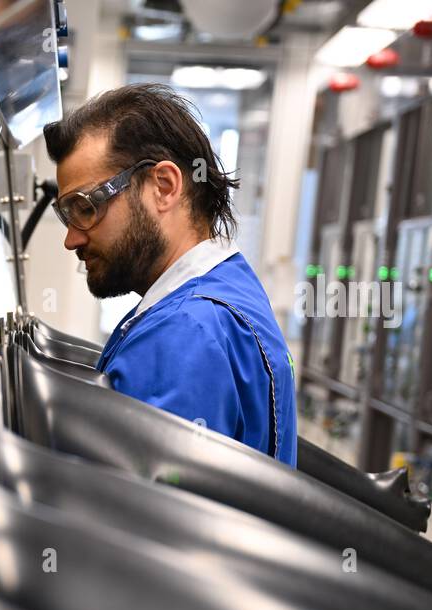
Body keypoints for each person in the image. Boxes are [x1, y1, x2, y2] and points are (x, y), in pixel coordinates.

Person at [43, 84, 298, 466]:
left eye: (85, 208)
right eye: (67, 215)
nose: (72, 238)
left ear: (163, 187)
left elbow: (137, 517)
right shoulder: (224, 289)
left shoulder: (185, 332)